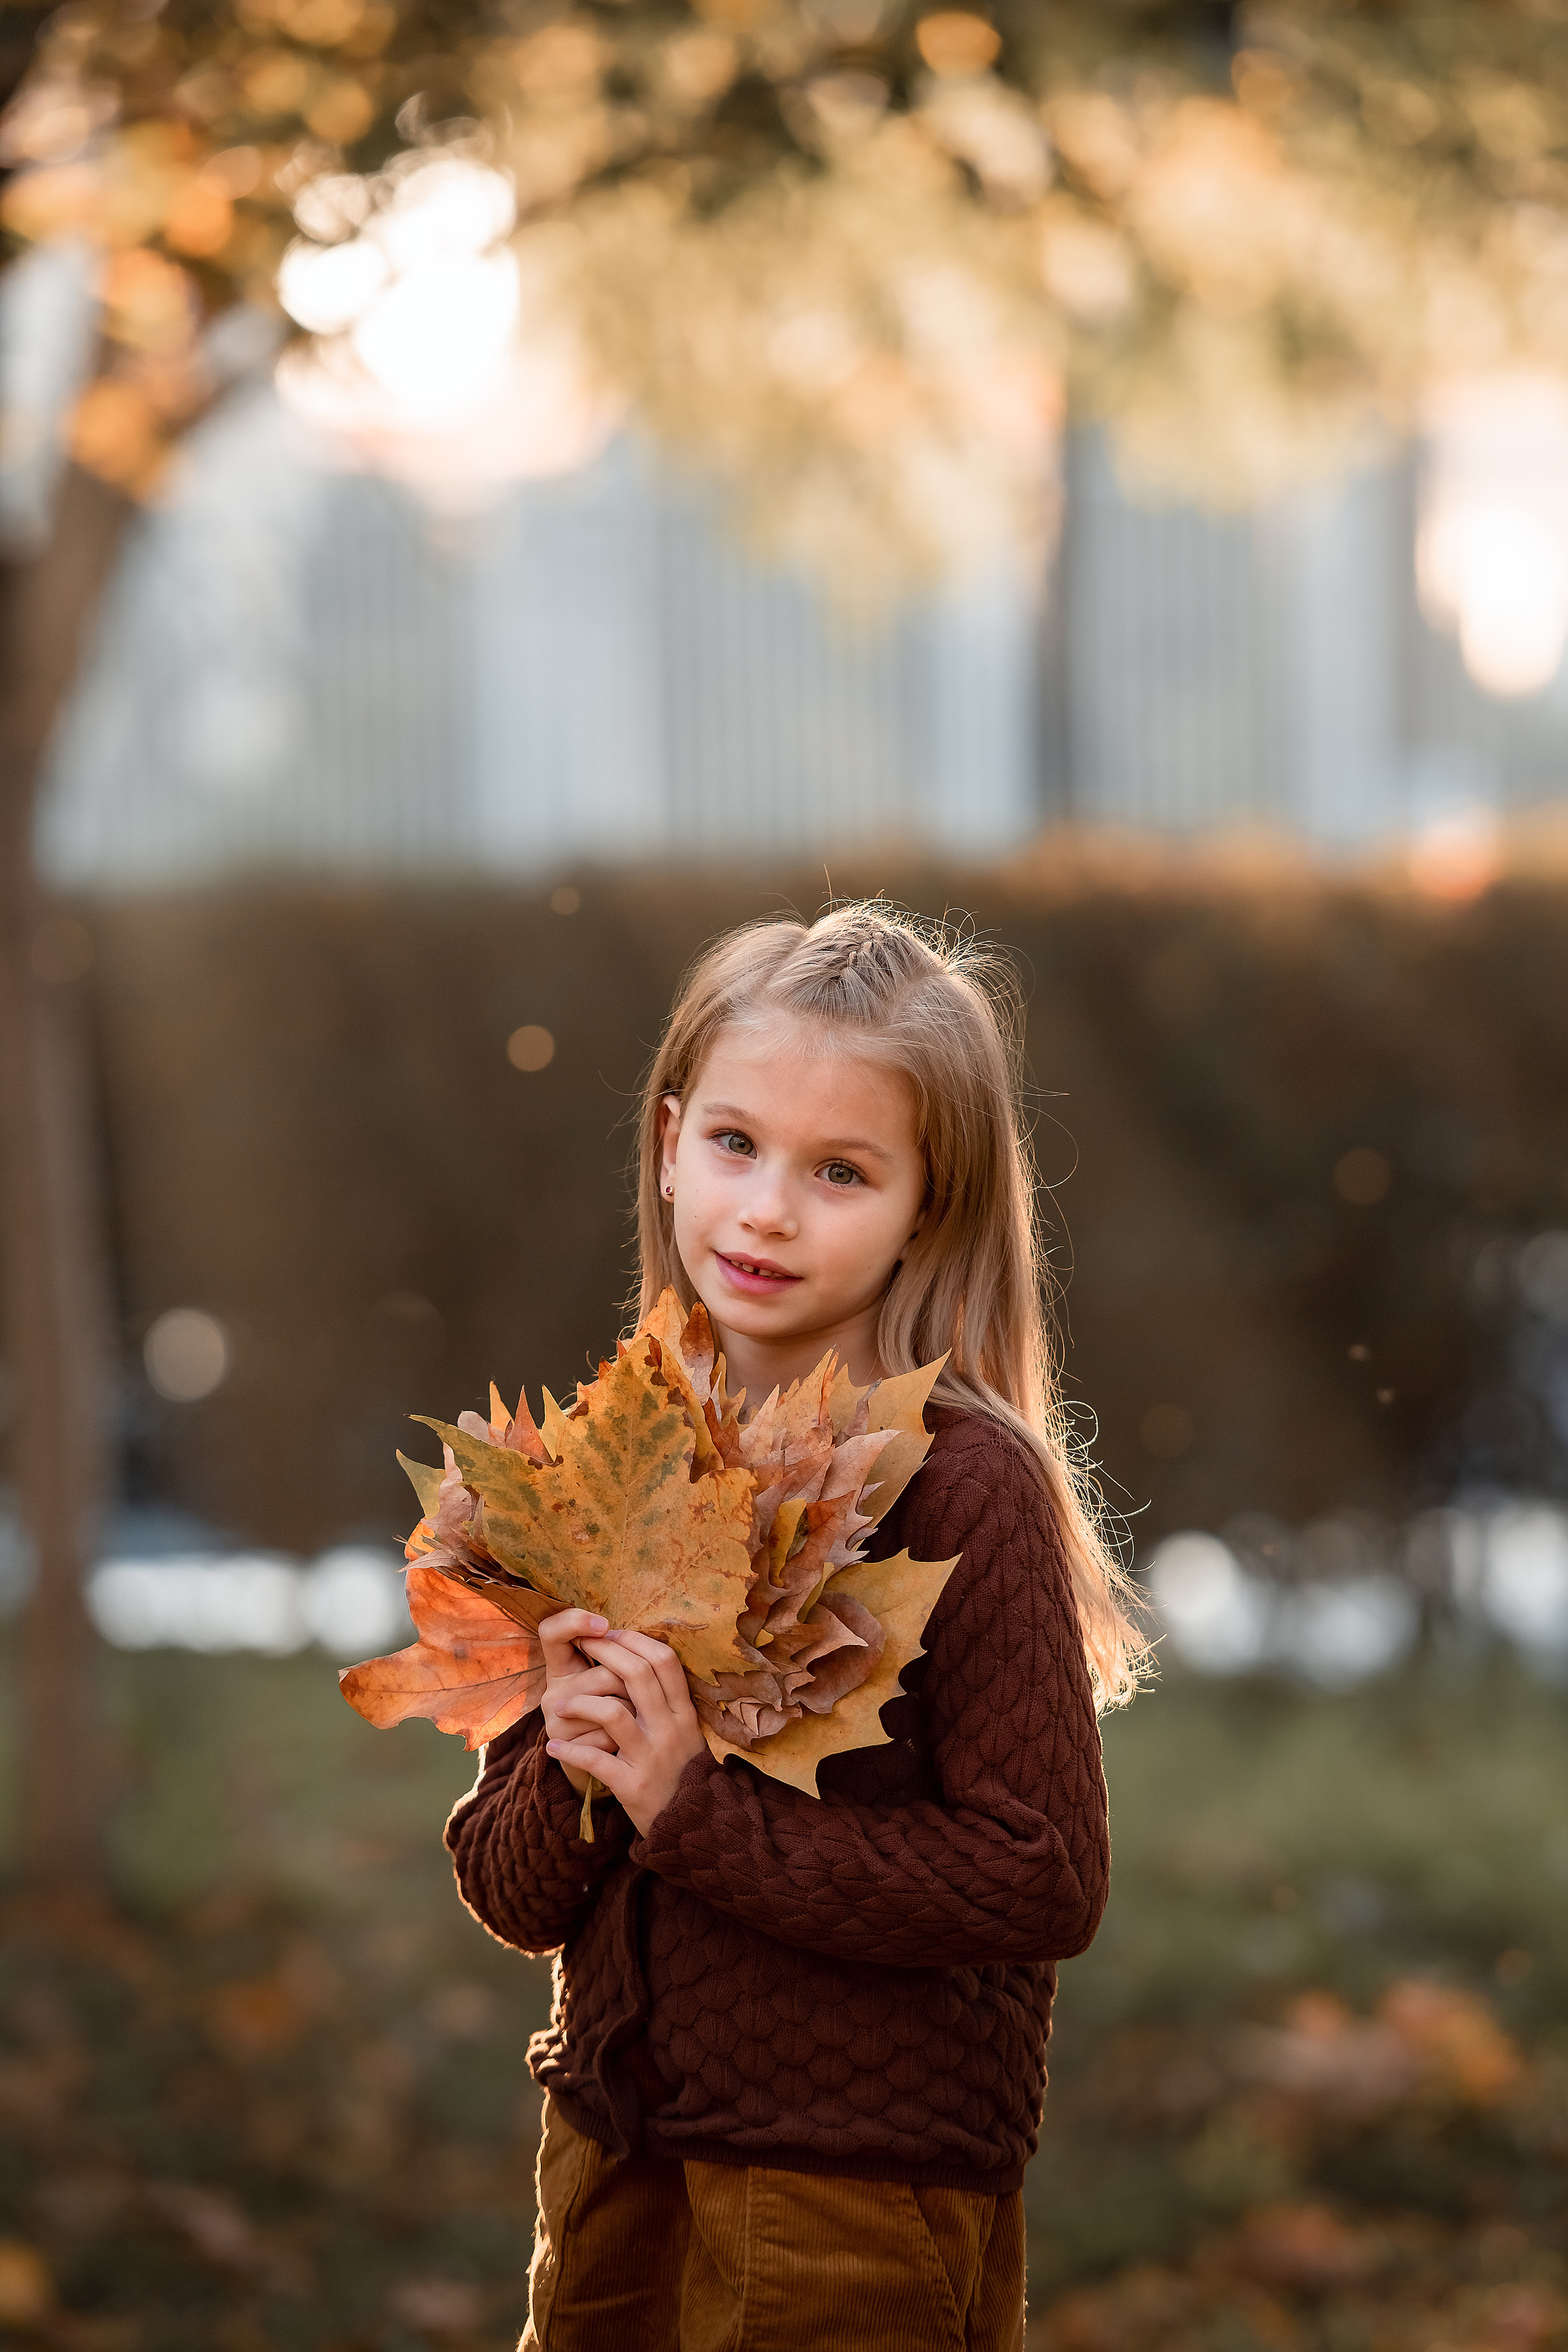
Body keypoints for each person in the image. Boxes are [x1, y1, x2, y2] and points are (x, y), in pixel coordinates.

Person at [444, 903, 1145, 2352]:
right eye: (735, 1145)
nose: (765, 1209)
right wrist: (580, 1769)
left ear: (925, 1209)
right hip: (607, 2157)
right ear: (666, 1141)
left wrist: (691, 1813)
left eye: (840, 1170)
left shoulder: (963, 1486)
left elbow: (1043, 1877)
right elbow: (515, 1902)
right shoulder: (622, 1468)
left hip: (850, 2195)